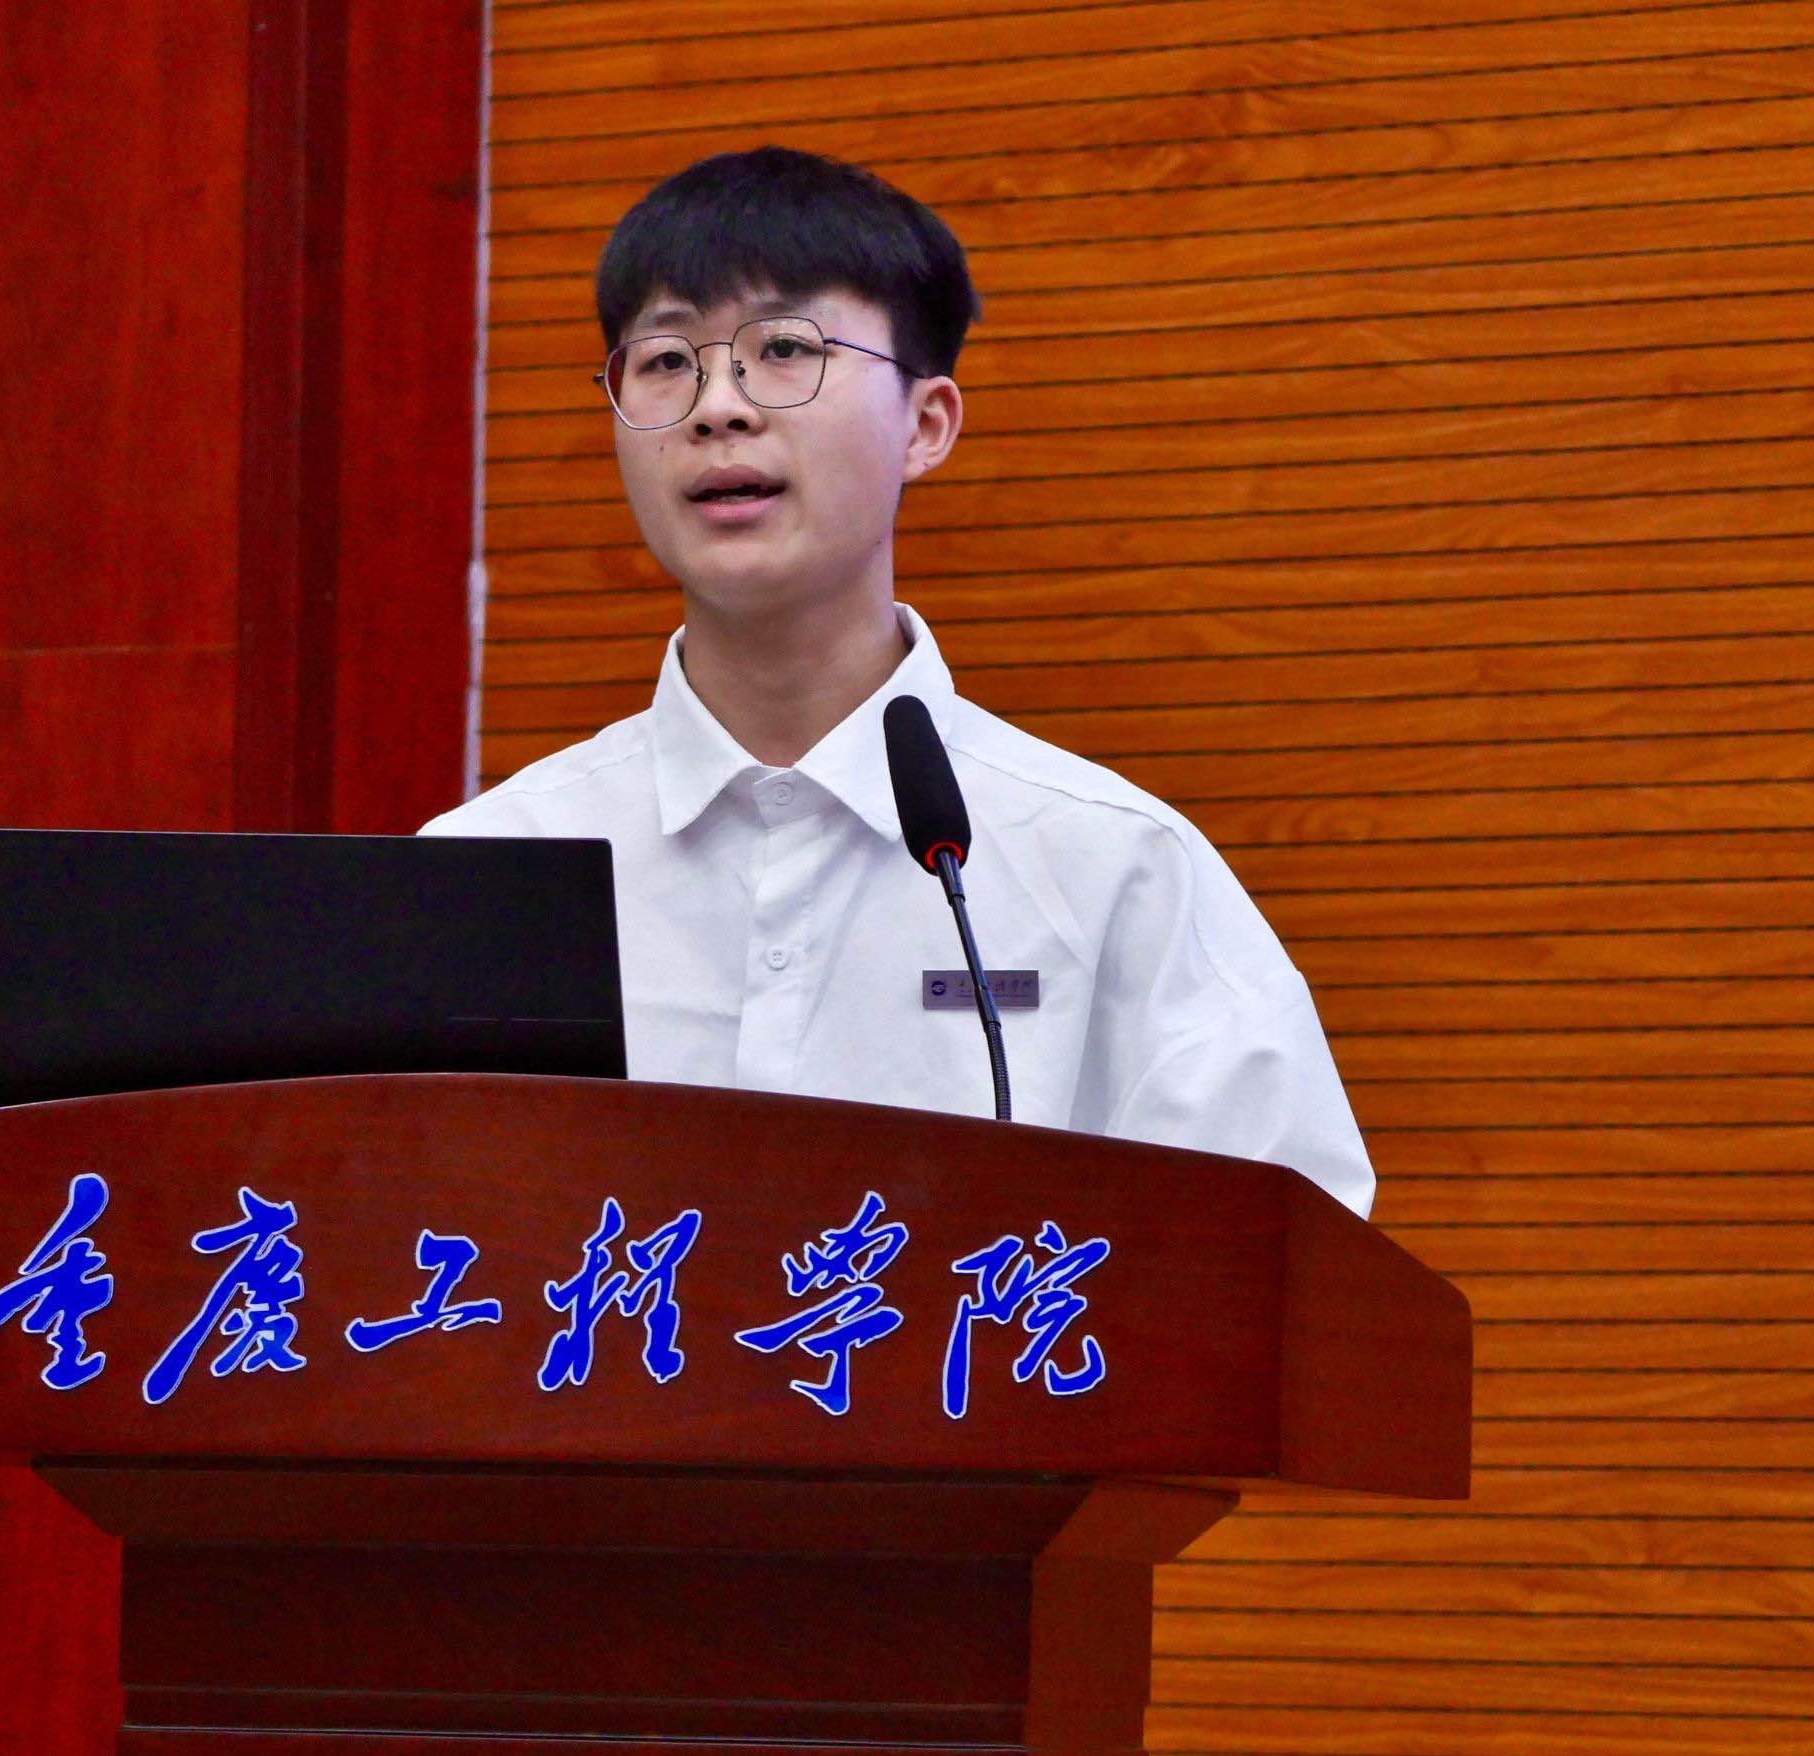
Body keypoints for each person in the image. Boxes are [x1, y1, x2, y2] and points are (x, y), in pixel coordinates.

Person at [423, 146, 1375, 1218]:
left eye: (784, 348)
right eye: (667, 360)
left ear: (925, 424)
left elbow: (1285, 1265)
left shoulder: (1118, 870)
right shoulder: (482, 872)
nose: (718, 405)